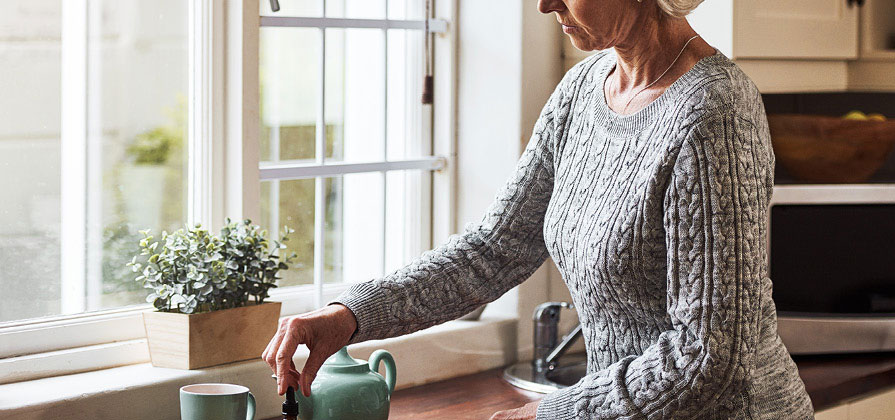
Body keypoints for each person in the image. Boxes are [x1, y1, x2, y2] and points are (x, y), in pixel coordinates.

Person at [263, 0, 815, 418]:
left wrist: (554, 413)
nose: (544, 4)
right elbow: (490, 252)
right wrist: (349, 316)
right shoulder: (581, 91)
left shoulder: (714, 113)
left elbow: (708, 354)